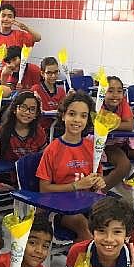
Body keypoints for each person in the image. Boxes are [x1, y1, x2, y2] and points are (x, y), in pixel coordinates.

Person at [36, 91, 105, 243]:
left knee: (112, 220)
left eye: (83, 116)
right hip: (61, 209)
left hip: (88, 204)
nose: (77, 120)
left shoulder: (91, 147)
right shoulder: (53, 149)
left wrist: (99, 181)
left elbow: (98, 176)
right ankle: (83, 255)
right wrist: (76, 186)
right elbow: (44, 189)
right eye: (72, 114)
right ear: (63, 116)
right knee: (84, 227)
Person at [100, 75, 134, 190]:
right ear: (102, 93)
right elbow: (101, 126)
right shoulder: (98, 106)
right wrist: (121, 125)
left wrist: (111, 125)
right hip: (107, 145)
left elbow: (129, 126)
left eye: (119, 91)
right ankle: (100, 191)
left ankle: (130, 182)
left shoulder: (123, 103)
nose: (115, 95)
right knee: (124, 165)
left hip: (125, 142)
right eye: (110, 91)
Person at [30, 57, 67, 135]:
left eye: (56, 72)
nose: (53, 76)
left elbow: (63, 111)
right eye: (49, 73)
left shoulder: (61, 91)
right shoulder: (36, 89)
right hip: (40, 129)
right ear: (42, 73)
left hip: (57, 128)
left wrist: (69, 100)